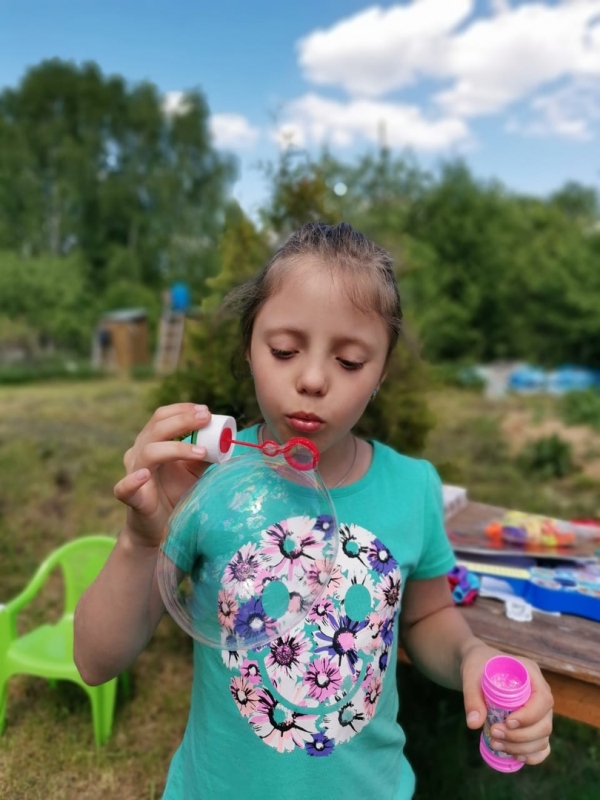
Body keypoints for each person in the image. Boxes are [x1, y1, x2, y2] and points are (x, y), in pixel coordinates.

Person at [74, 222, 553, 798]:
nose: (313, 379)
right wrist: (142, 539)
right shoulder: (204, 480)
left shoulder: (412, 486)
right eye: (284, 350)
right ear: (250, 347)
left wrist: (473, 653)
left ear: (380, 372)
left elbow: (426, 618)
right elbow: (95, 660)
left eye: (349, 361)